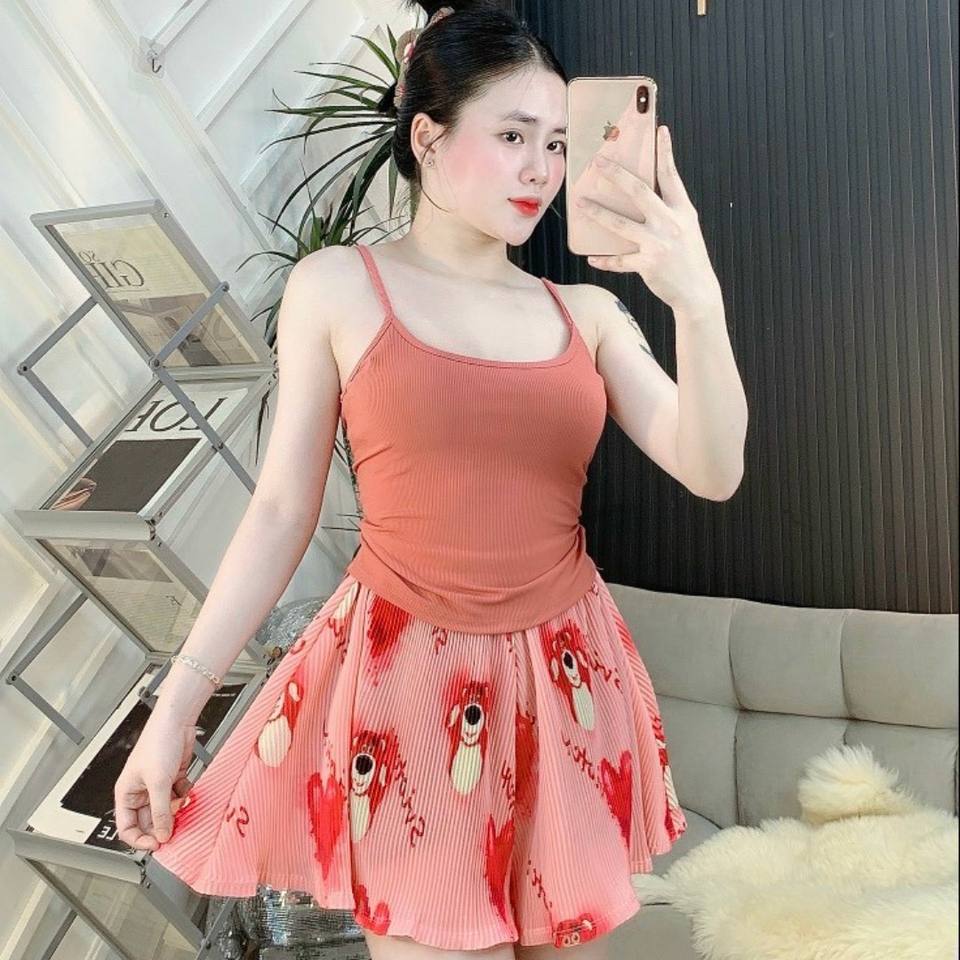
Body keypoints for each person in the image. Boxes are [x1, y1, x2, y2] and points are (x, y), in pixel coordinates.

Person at [114, 1, 746, 957]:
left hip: (566, 681)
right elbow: (280, 512)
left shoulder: (586, 312)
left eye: (557, 143)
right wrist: (174, 715)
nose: (541, 169)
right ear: (428, 138)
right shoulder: (336, 285)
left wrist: (698, 301)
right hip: (405, 686)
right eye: (513, 135)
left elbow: (714, 468)